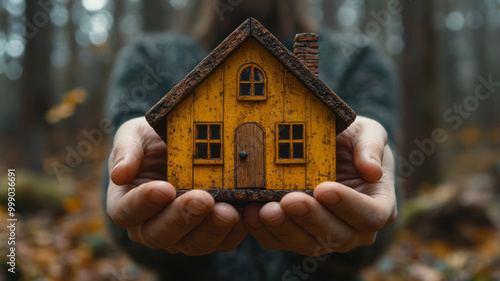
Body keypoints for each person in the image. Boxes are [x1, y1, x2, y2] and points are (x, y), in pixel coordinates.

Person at [104, 0, 398, 280]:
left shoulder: (355, 57)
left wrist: (359, 216)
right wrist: (151, 217)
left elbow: (380, 214)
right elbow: (125, 209)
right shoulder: (150, 57)